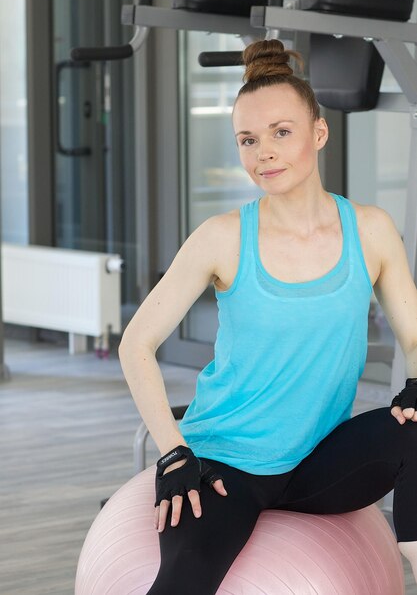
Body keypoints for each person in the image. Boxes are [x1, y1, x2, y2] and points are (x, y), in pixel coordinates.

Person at [118, 39, 417, 594]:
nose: (265, 153)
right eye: (248, 140)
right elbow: (135, 345)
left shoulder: (370, 230)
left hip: (319, 463)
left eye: (282, 132)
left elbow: (416, 337)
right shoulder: (223, 238)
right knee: (184, 581)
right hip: (225, 467)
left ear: (318, 134)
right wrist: (174, 455)